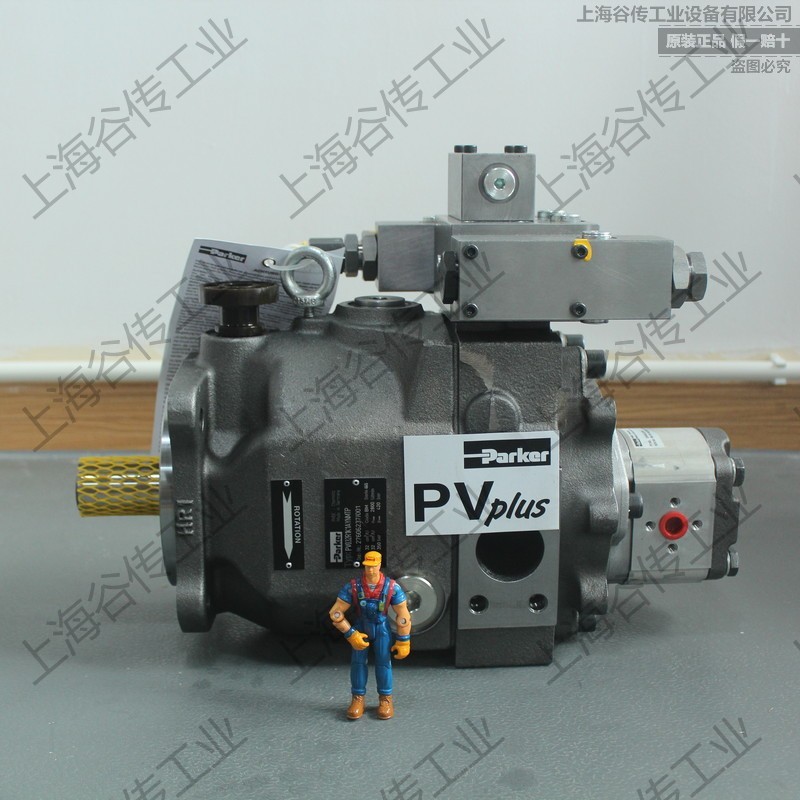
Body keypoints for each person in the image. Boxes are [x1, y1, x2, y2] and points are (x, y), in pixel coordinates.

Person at [328, 550, 411, 720]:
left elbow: (403, 615)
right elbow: (336, 613)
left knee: (384, 663)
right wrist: (351, 634)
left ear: (379, 565)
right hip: (361, 628)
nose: (370, 570)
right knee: (358, 663)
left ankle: (385, 699)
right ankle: (358, 698)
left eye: (373, 566)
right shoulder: (353, 587)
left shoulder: (392, 587)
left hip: (382, 629)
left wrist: (403, 640)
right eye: (367, 566)